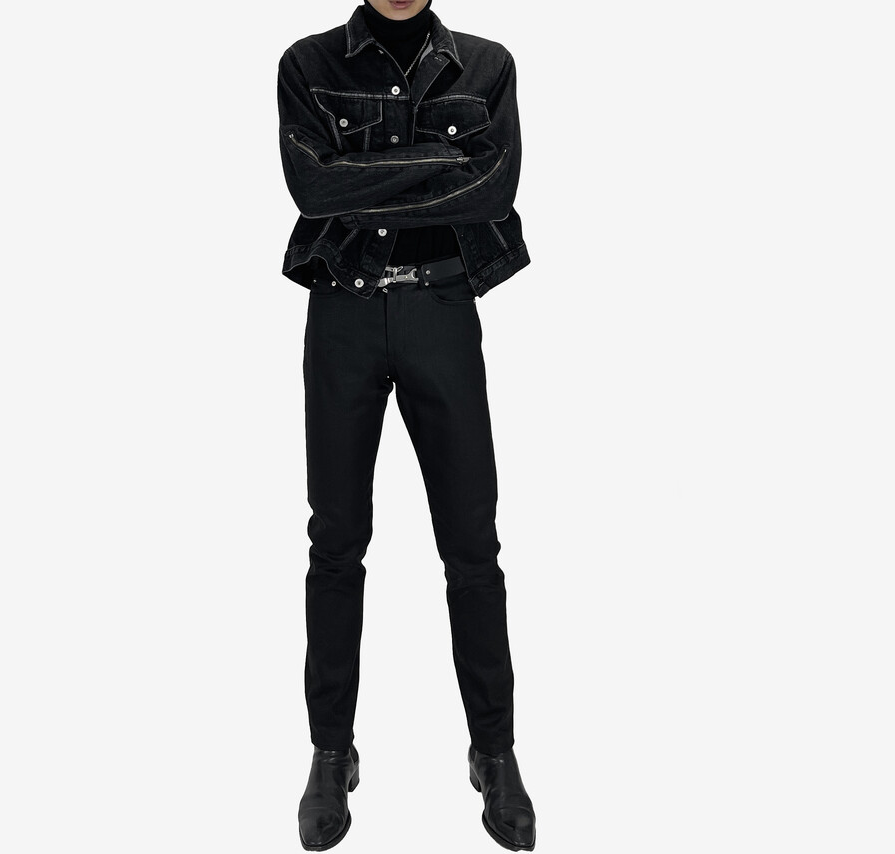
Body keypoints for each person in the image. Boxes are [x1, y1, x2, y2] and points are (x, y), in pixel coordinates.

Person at [276, 1, 535, 849]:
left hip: (442, 311)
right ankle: (330, 752)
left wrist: (364, 173)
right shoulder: (307, 64)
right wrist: (443, 164)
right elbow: (312, 189)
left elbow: (494, 189)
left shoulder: (487, 66)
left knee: (472, 542)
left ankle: (494, 751)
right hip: (342, 316)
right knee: (335, 542)